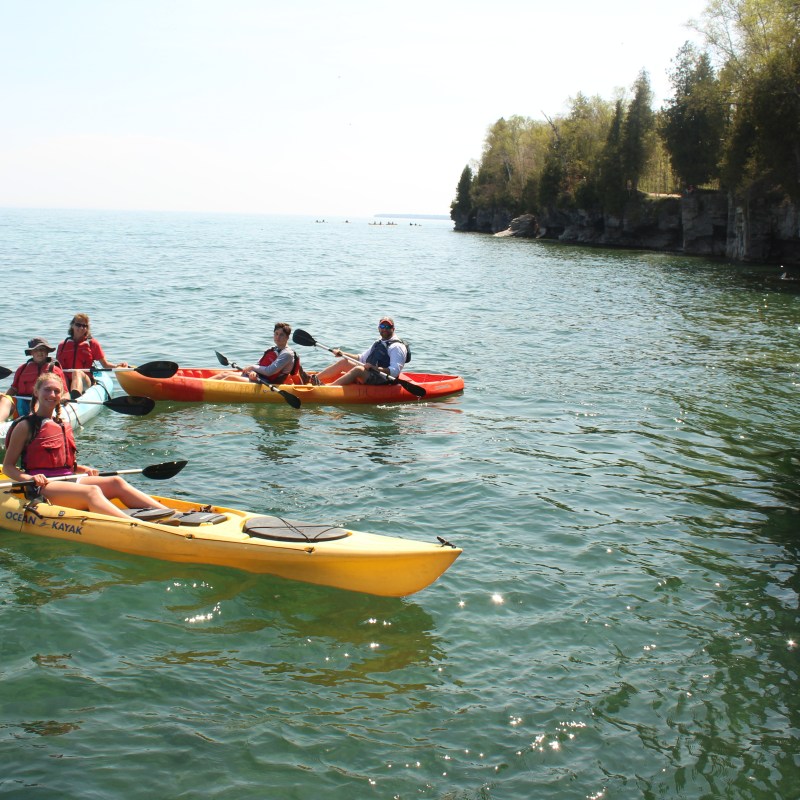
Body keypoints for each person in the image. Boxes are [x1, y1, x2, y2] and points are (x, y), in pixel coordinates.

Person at [2, 373, 170, 520]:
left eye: (57, 391)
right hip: (43, 486)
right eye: (47, 390)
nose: (52, 394)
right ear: (36, 392)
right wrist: (30, 478)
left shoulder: (61, 423)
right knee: (92, 491)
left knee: (116, 482)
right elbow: (9, 467)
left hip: (67, 479)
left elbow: (64, 465)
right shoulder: (25, 426)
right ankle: (136, 525)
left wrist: (82, 469)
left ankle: (171, 514)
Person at [310, 317, 409, 386]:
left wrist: (375, 368)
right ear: (379, 328)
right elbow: (361, 358)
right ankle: (312, 380)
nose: (385, 329)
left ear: (393, 329)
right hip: (372, 373)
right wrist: (343, 354)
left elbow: (395, 372)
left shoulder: (397, 347)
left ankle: (328, 389)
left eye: (388, 327)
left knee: (358, 369)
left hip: (384, 380)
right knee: (344, 362)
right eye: (382, 327)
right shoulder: (379, 342)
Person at [56, 313, 129, 398]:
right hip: (66, 381)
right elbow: (58, 368)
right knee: (60, 374)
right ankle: (63, 396)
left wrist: (118, 366)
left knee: (77, 372)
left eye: (84, 326)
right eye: (78, 325)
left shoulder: (92, 344)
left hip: (85, 380)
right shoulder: (63, 345)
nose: (81, 328)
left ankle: (75, 398)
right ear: (72, 325)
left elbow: (105, 365)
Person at [0, 337, 69, 423]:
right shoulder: (22, 369)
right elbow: (14, 389)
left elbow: (66, 393)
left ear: (47, 352)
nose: (40, 352)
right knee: (6, 399)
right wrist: (4, 396)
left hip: (44, 404)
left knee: (39, 399)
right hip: (22, 404)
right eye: (36, 350)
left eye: (43, 350)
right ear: (31, 352)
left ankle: (31, 424)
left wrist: (63, 398)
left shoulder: (55, 370)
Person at [211, 322, 302, 384]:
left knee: (229, 378)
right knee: (224, 374)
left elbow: (270, 371)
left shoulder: (287, 354)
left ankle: (203, 388)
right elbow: (260, 365)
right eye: (276, 333)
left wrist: (252, 367)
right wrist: (253, 372)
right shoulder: (272, 349)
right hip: (259, 377)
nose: (278, 337)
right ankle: (200, 383)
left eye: (281, 335)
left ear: (287, 337)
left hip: (267, 383)